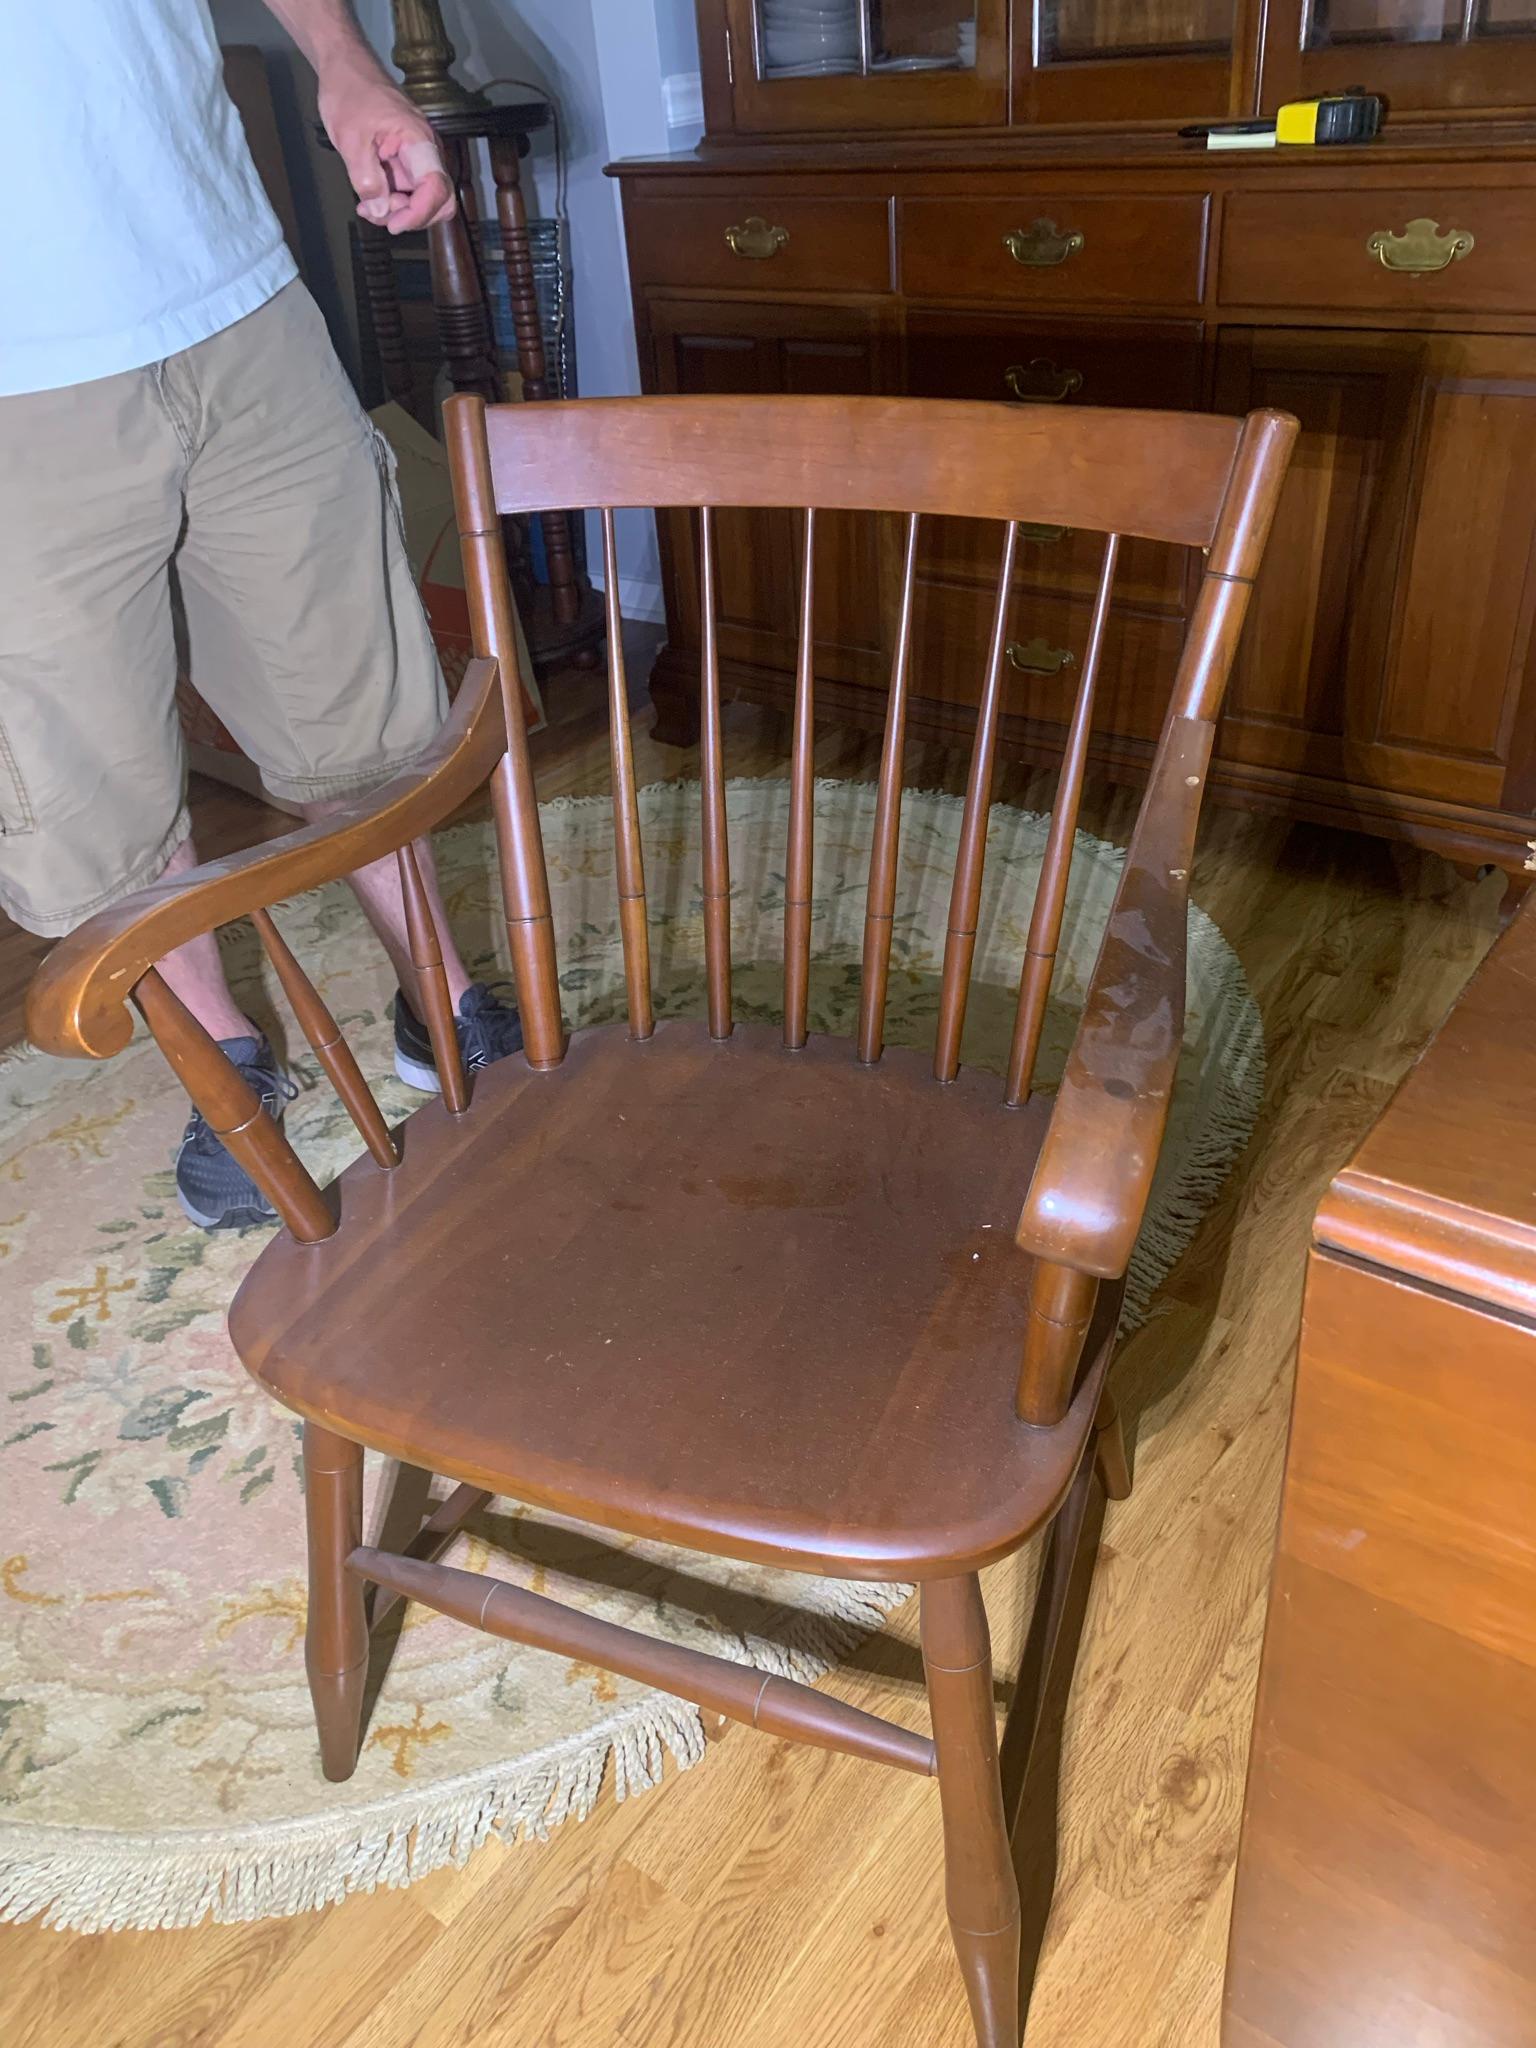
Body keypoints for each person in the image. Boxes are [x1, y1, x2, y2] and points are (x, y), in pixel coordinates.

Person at [1, 1, 524, 1230]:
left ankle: (436, 997)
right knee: (98, 775)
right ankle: (228, 1060)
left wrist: (343, 61)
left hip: (229, 280)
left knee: (358, 704)